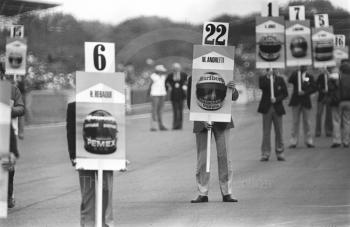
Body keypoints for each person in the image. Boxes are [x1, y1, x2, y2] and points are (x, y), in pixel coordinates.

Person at [187, 75, 239, 203]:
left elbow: (234, 97)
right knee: (202, 159)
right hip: (201, 121)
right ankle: (202, 192)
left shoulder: (224, 72)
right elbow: (191, 102)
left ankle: (227, 192)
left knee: (224, 157)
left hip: (222, 120)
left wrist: (233, 89)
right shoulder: (193, 76)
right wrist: (202, 119)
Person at [66, 102, 114, 227]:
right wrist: (73, 155)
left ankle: (105, 224)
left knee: (106, 190)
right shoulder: (74, 106)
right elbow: (70, 130)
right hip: (84, 157)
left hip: (107, 155)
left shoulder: (109, 102)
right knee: (88, 194)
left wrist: (119, 158)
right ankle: (88, 224)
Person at [0, 75, 25, 209]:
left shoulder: (12, 90)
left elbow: (21, 109)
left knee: (8, 167)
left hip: (8, 133)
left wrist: (9, 110)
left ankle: (8, 196)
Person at [258, 69, 288, 161]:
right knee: (266, 132)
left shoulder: (280, 79)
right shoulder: (263, 78)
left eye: (274, 69)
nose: (272, 70)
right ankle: (265, 153)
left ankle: (280, 152)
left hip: (277, 108)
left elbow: (285, 94)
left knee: (279, 131)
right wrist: (268, 77)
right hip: (266, 108)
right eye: (270, 69)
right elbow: (262, 86)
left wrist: (277, 99)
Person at [288, 65, 317, 148]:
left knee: (307, 122)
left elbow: (314, 88)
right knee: (295, 122)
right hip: (296, 101)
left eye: (305, 66)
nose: (303, 67)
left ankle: (309, 141)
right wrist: (296, 71)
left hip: (305, 101)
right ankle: (293, 141)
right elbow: (290, 80)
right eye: (302, 66)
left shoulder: (309, 76)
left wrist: (305, 92)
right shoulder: (295, 75)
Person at [165, 63, 188, 130]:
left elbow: (188, 81)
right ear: (173, 69)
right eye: (175, 68)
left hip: (181, 95)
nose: (176, 69)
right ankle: (175, 125)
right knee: (175, 111)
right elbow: (166, 83)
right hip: (173, 95)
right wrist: (168, 87)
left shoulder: (183, 75)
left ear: (180, 68)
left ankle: (180, 125)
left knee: (180, 111)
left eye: (177, 68)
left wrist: (185, 85)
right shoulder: (170, 75)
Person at [315, 68, 333, 137]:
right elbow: (316, 85)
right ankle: (318, 131)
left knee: (329, 114)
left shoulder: (332, 76)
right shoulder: (320, 76)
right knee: (319, 114)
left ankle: (328, 131)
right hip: (321, 97)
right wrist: (321, 90)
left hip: (329, 96)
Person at [149, 65, 168, 131]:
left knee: (160, 110)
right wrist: (149, 94)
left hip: (162, 94)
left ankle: (161, 125)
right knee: (154, 110)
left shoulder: (163, 76)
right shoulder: (153, 76)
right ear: (158, 70)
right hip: (155, 94)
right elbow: (150, 86)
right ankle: (153, 126)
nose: (163, 71)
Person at [339, 60, 350, 147]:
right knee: (347, 122)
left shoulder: (339, 78)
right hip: (349, 101)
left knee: (337, 121)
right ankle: (346, 141)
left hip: (339, 101)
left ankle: (337, 140)